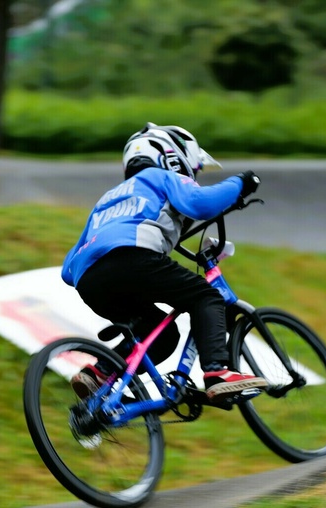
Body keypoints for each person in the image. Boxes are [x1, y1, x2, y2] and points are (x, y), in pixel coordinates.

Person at [61, 122, 268, 402]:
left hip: (89, 280)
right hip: (132, 259)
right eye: (194, 170)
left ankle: (99, 373)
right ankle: (217, 372)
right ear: (173, 157)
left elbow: (67, 271)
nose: (193, 176)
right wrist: (241, 182)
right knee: (206, 296)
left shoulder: (107, 199)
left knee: (161, 336)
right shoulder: (159, 176)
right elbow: (201, 203)